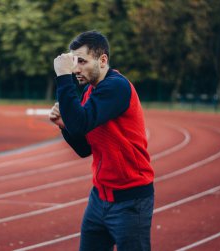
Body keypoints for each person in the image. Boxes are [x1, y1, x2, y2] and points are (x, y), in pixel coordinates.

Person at [49, 31, 155, 251]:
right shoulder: (91, 91)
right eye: (73, 61)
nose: (76, 68)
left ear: (103, 60)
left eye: (82, 61)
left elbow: (80, 123)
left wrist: (62, 76)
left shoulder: (116, 87)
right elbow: (84, 148)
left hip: (130, 202)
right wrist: (64, 125)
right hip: (99, 198)